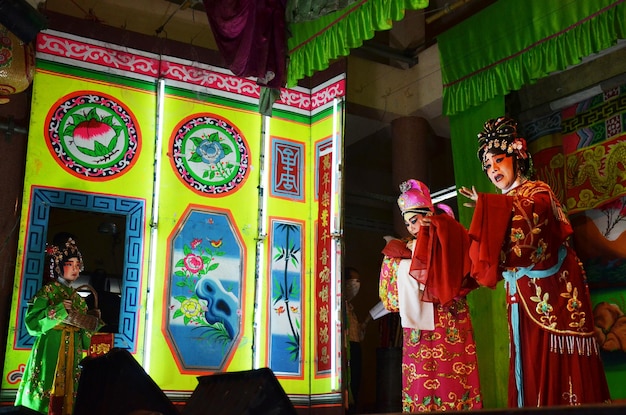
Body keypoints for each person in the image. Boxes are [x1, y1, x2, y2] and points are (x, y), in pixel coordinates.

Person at [459, 116, 611, 407]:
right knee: (524, 361)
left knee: (549, 364)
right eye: (488, 166)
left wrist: (488, 208)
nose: (493, 171)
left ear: (517, 157)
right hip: (520, 297)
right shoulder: (504, 200)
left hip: (550, 297)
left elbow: (529, 235)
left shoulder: (538, 192)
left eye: (499, 161)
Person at [379, 179, 483, 412]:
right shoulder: (400, 251)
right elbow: (390, 299)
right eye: (407, 223)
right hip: (419, 331)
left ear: (430, 213)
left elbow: (469, 273)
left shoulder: (452, 238)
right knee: (421, 383)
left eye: (415, 220)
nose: (412, 228)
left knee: (456, 381)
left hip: (451, 324)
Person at [15, 236, 102, 415]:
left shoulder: (79, 299)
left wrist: (93, 321)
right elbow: (32, 325)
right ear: (58, 266)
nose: (75, 269)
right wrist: (59, 310)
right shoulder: (47, 291)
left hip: (73, 352)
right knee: (45, 392)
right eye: (71, 264)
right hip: (51, 347)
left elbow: (86, 341)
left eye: (78, 266)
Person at [344, 266, 371, 414]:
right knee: (350, 384)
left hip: (355, 347)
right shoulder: (340, 306)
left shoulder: (350, 307)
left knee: (356, 383)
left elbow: (358, 334)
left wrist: (366, 322)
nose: (357, 285)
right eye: (355, 281)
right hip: (347, 348)